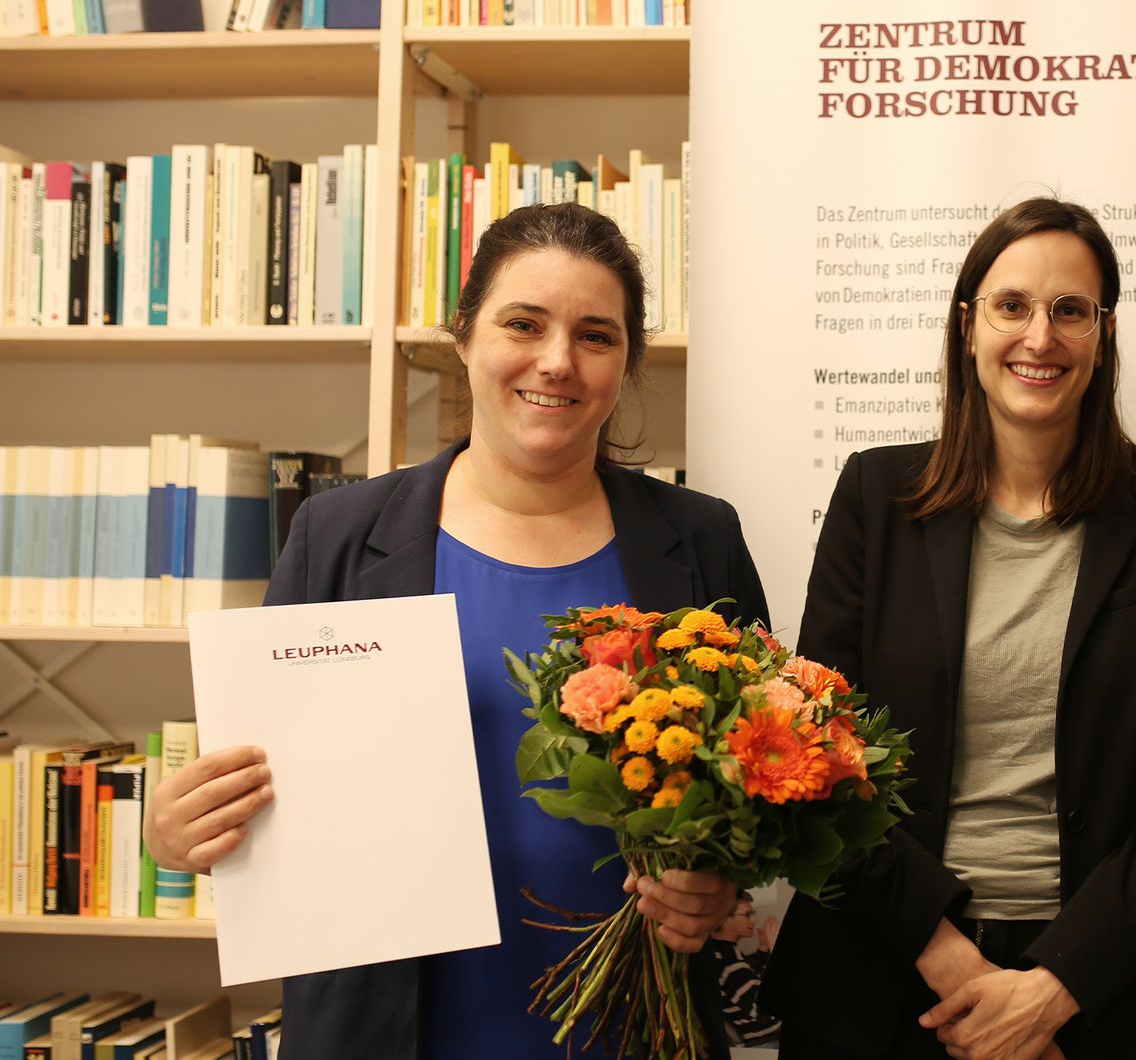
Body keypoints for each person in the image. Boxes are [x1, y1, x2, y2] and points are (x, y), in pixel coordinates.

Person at [142, 203, 771, 1060]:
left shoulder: (700, 539)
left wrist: (720, 883)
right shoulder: (335, 535)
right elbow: (259, 779)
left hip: (637, 1024)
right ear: (464, 336)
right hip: (385, 1030)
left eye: (596, 335)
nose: (558, 360)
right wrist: (177, 830)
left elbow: (760, 797)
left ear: (626, 364)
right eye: (524, 323)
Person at [767, 197, 1136, 1060]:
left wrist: (1056, 986)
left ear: (1104, 334)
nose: (1040, 336)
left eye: (1071, 310)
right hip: (880, 972)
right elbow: (817, 753)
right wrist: (954, 963)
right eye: (1012, 305)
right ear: (968, 325)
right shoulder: (875, 497)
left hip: (1104, 993)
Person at [708, 890, 783, 1048]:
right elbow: (764, 1011)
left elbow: (751, 980)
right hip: (766, 1040)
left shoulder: (723, 951)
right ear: (724, 918)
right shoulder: (729, 960)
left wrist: (764, 948)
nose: (754, 920)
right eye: (748, 915)